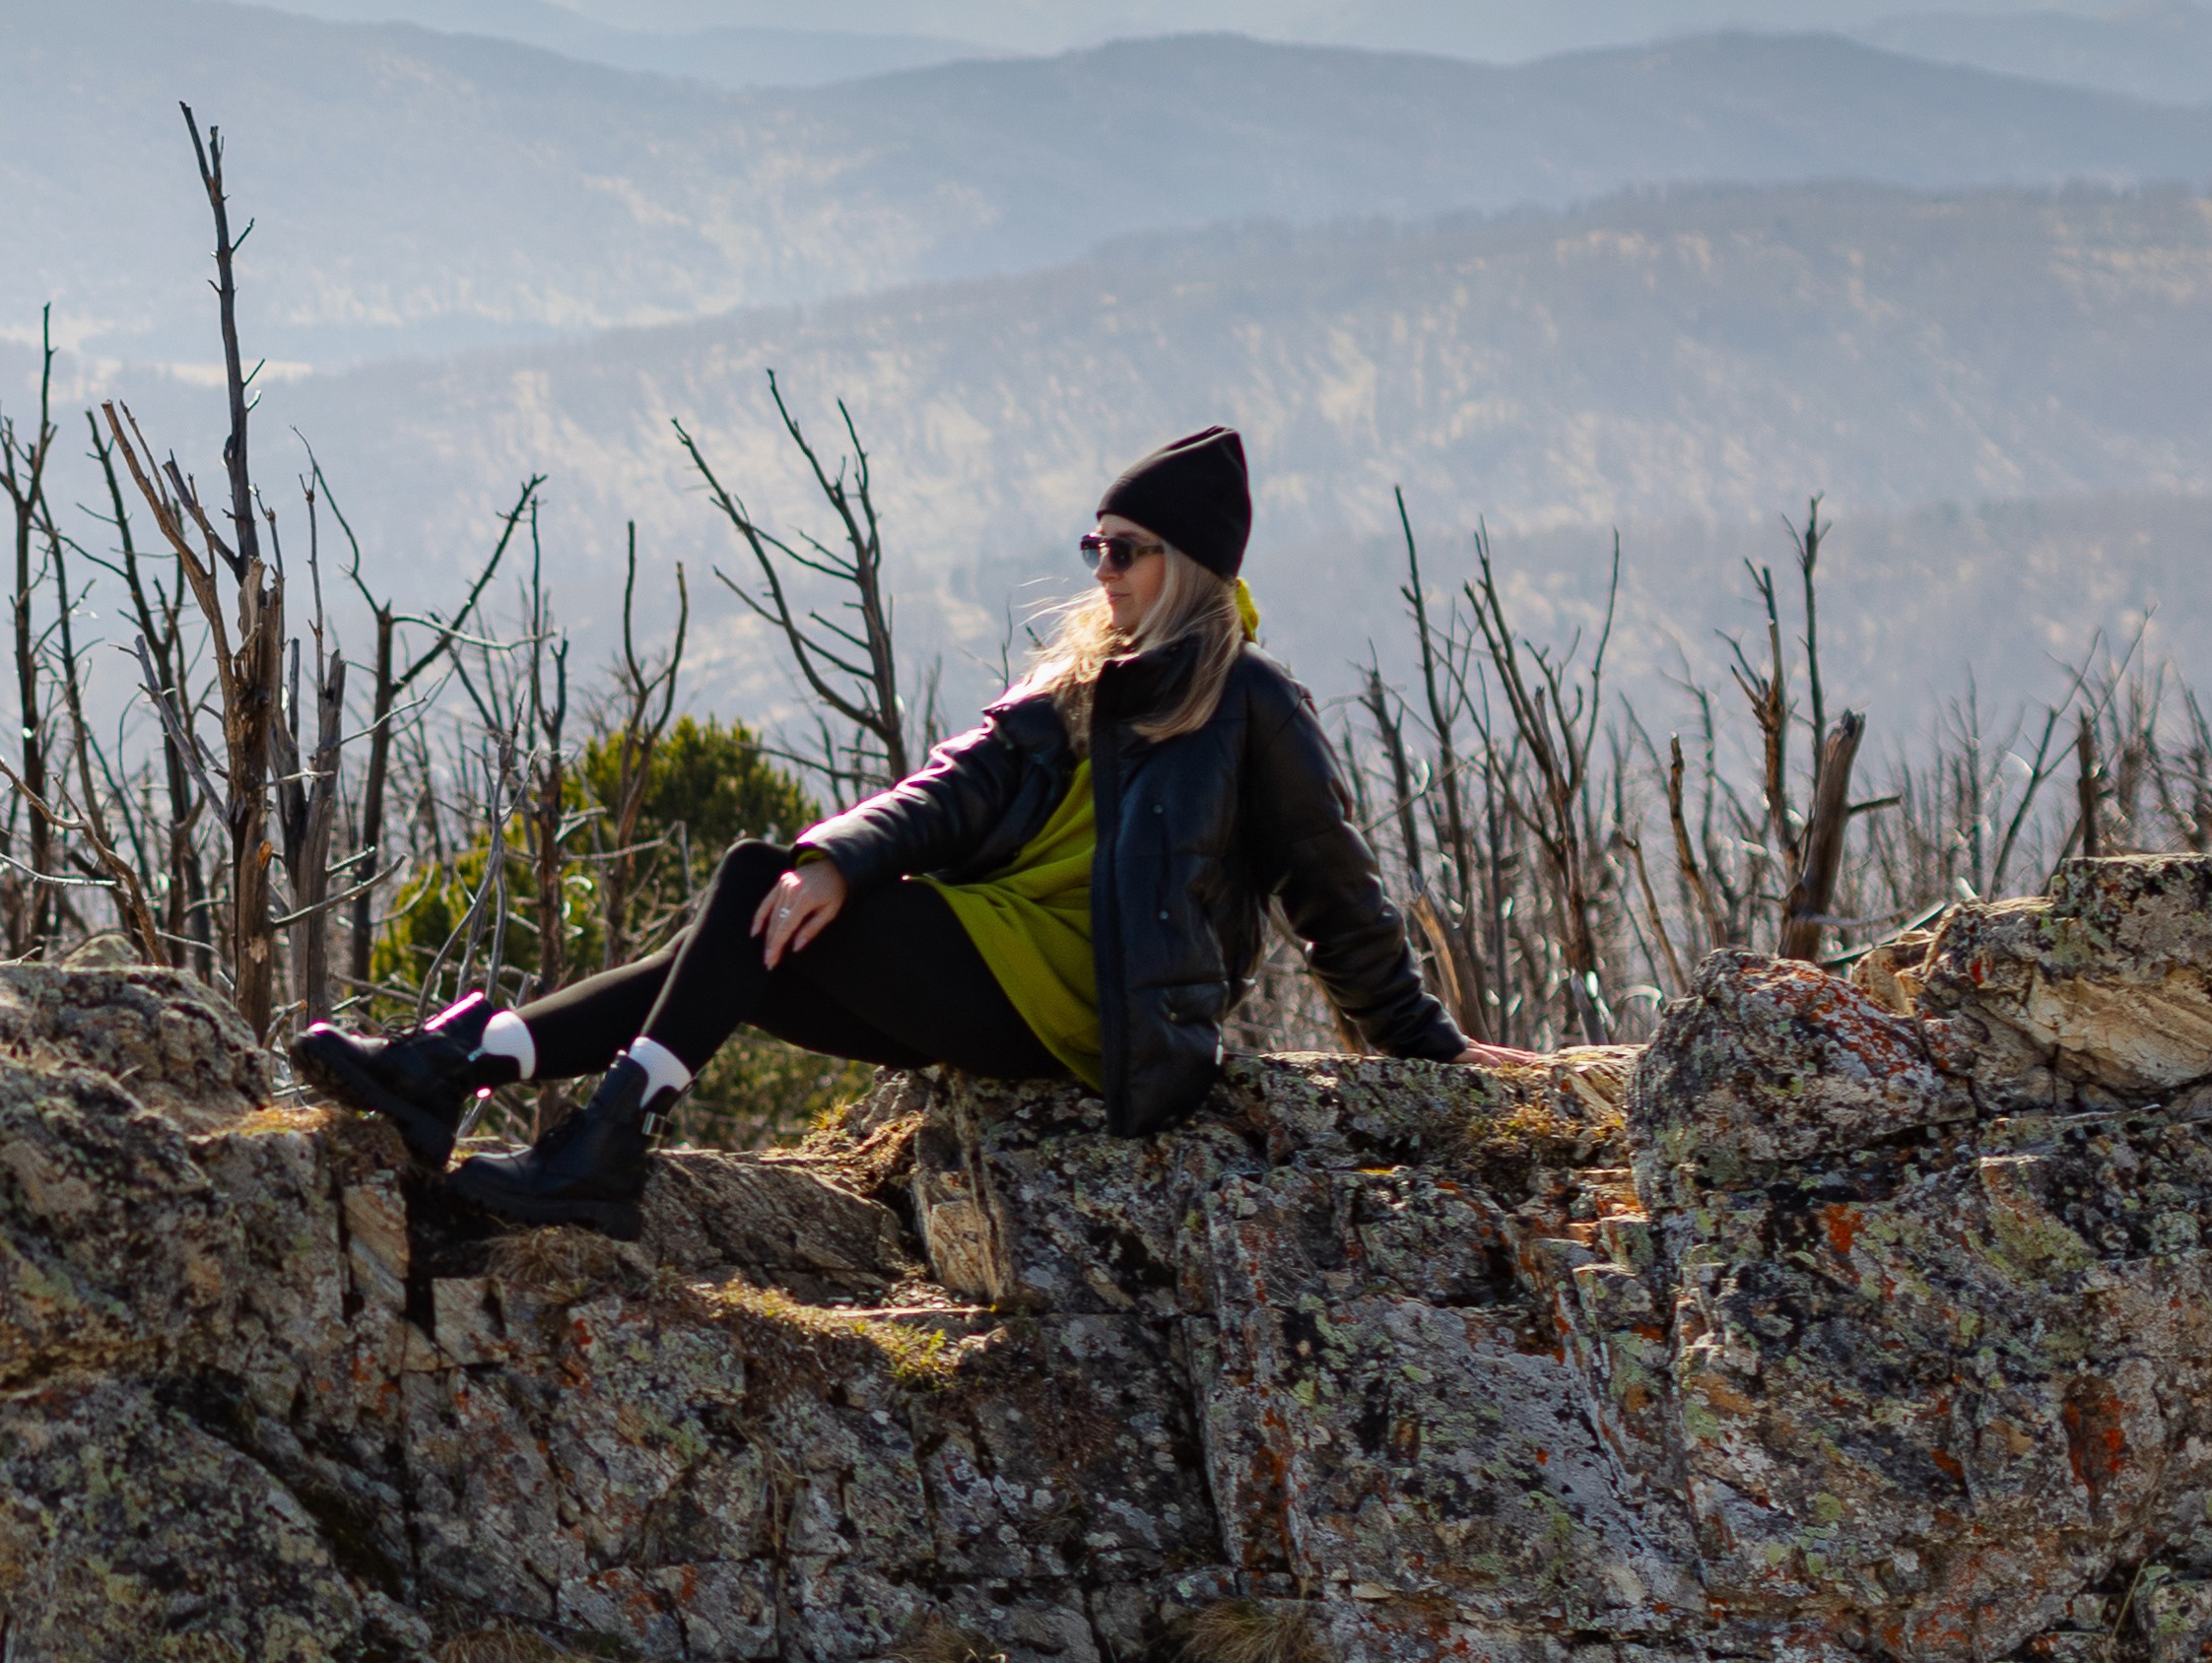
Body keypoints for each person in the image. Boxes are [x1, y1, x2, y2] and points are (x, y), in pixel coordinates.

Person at [294, 424, 1532, 1240]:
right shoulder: (1074, 687)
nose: (1101, 569)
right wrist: (844, 855)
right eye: (1094, 545)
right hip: (991, 966)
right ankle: (461, 1077)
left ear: (1191, 566)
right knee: (761, 901)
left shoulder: (1251, 703)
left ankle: (554, 1123)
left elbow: (1335, 898)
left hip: (1097, 1016)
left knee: (745, 896)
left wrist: (1429, 1053)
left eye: (1126, 550)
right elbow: (948, 787)